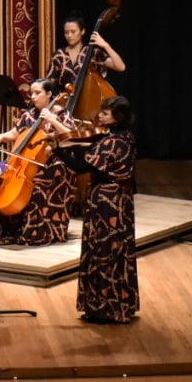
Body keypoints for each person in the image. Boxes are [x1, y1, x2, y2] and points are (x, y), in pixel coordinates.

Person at [58, 95, 139, 324]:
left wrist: (58, 150)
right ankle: (121, 304)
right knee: (118, 251)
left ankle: (104, 309)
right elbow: (96, 153)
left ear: (118, 116)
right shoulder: (125, 136)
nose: (99, 116)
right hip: (120, 200)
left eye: (105, 113)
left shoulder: (111, 142)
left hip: (106, 202)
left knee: (103, 252)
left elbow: (81, 167)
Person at [0, 78, 78, 246]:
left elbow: (72, 137)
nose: (32, 97)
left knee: (38, 184)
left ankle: (35, 232)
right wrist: (0, 137)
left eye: (37, 93)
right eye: (31, 93)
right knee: (2, 180)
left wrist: (53, 120)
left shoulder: (61, 113)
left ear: (49, 94)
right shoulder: (29, 114)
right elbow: (13, 134)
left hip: (58, 161)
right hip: (31, 161)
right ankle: (6, 231)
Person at [45, 10, 126, 93]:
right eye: (66, 32)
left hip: (90, 99)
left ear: (82, 31)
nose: (69, 35)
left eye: (73, 32)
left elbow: (120, 67)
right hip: (66, 103)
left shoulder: (94, 53)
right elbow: (49, 83)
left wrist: (106, 45)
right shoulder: (58, 55)